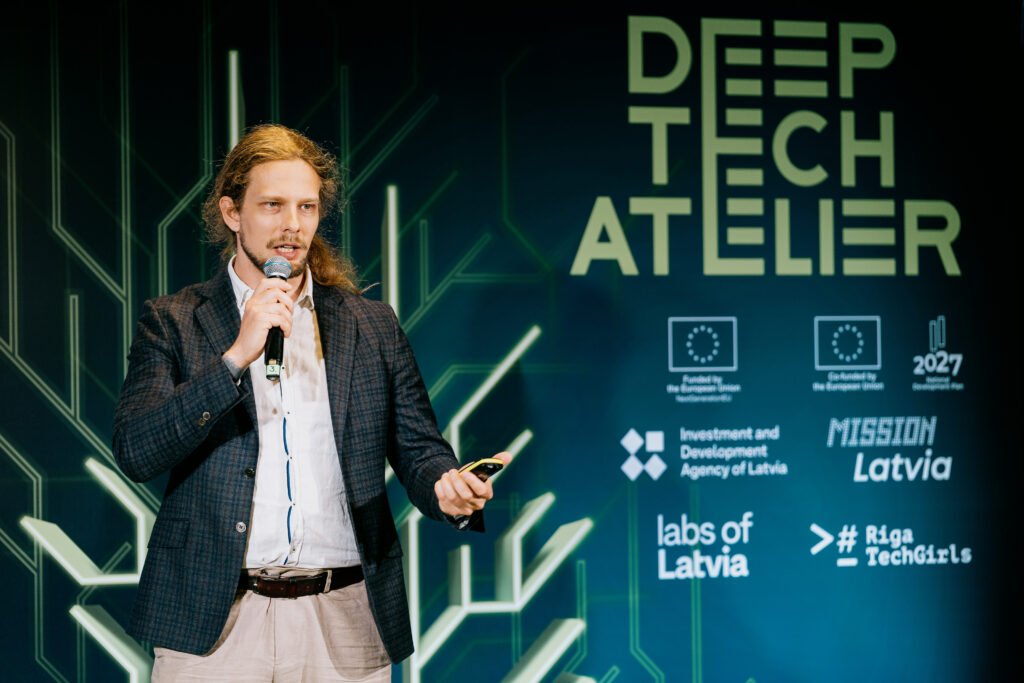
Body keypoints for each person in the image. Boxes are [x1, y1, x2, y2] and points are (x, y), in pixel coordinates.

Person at [113, 123, 510, 681]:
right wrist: (235, 358)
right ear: (232, 212)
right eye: (272, 205)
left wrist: (447, 488)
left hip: (343, 615)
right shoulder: (174, 320)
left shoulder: (370, 325)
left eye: (307, 206)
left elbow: (419, 449)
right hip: (216, 619)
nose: (292, 226)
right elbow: (137, 450)